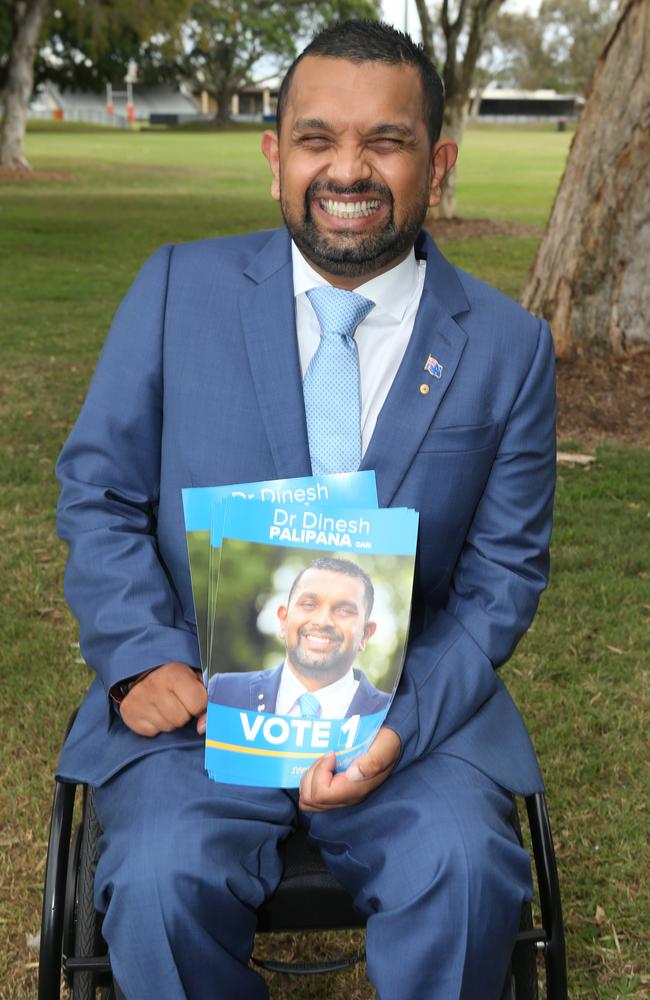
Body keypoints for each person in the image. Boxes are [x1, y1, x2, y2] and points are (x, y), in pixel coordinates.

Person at [55, 19, 556, 1000]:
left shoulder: (507, 347)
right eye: (318, 138)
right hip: (197, 712)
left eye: (385, 141)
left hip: (404, 717)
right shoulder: (172, 290)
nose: (347, 170)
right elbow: (99, 492)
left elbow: (503, 575)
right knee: (157, 880)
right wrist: (139, 652)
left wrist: (398, 726)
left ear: (436, 162)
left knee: (464, 870)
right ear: (273, 155)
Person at [208, 556, 390, 719]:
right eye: (309, 604)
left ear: (366, 634)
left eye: (344, 610)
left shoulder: (391, 716)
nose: (323, 621)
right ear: (283, 620)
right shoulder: (222, 694)